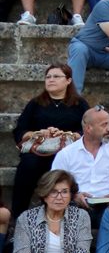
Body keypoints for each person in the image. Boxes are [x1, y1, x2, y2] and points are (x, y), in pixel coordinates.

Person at [11, 65, 89, 218]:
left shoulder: (79, 104)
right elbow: (20, 131)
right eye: (48, 77)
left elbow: (87, 129)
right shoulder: (35, 104)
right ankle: (18, 217)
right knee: (28, 164)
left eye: (56, 76)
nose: (51, 80)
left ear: (68, 80)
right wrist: (39, 133)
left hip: (67, 152)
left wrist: (69, 135)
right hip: (39, 152)